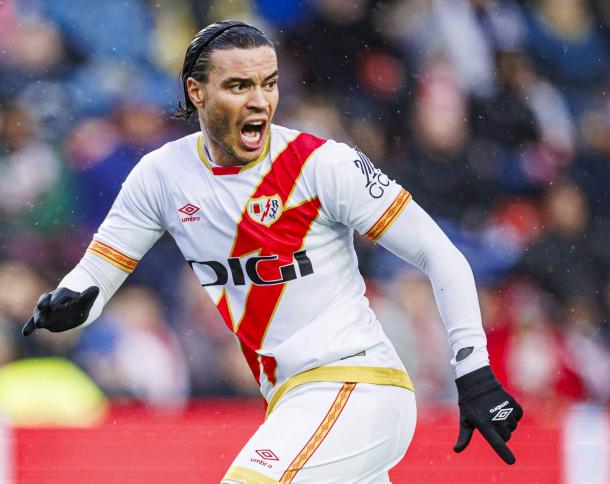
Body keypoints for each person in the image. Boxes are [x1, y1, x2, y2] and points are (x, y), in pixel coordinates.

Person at [22, 20, 523, 483]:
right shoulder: (161, 176)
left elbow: (441, 253)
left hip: (359, 386)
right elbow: (98, 272)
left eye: (269, 82)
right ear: (196, 92)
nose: (260, 100)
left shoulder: (322, 164)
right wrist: (69, 302)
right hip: (289, 401)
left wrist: (473, 372)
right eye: (239, 86)